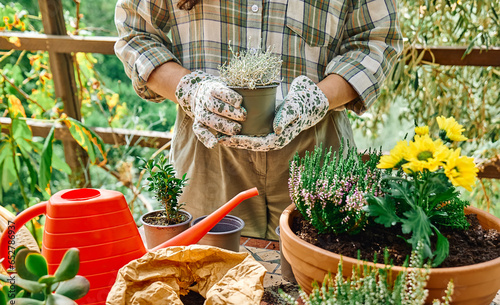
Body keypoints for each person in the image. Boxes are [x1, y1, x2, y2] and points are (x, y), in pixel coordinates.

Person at [114, 0, 403, 240]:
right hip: (206, 157)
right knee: (202, 285)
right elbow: (136, 33)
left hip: (317, 156)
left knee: (319, 284)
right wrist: (191, 90)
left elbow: (375, 40)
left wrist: (316, 99)